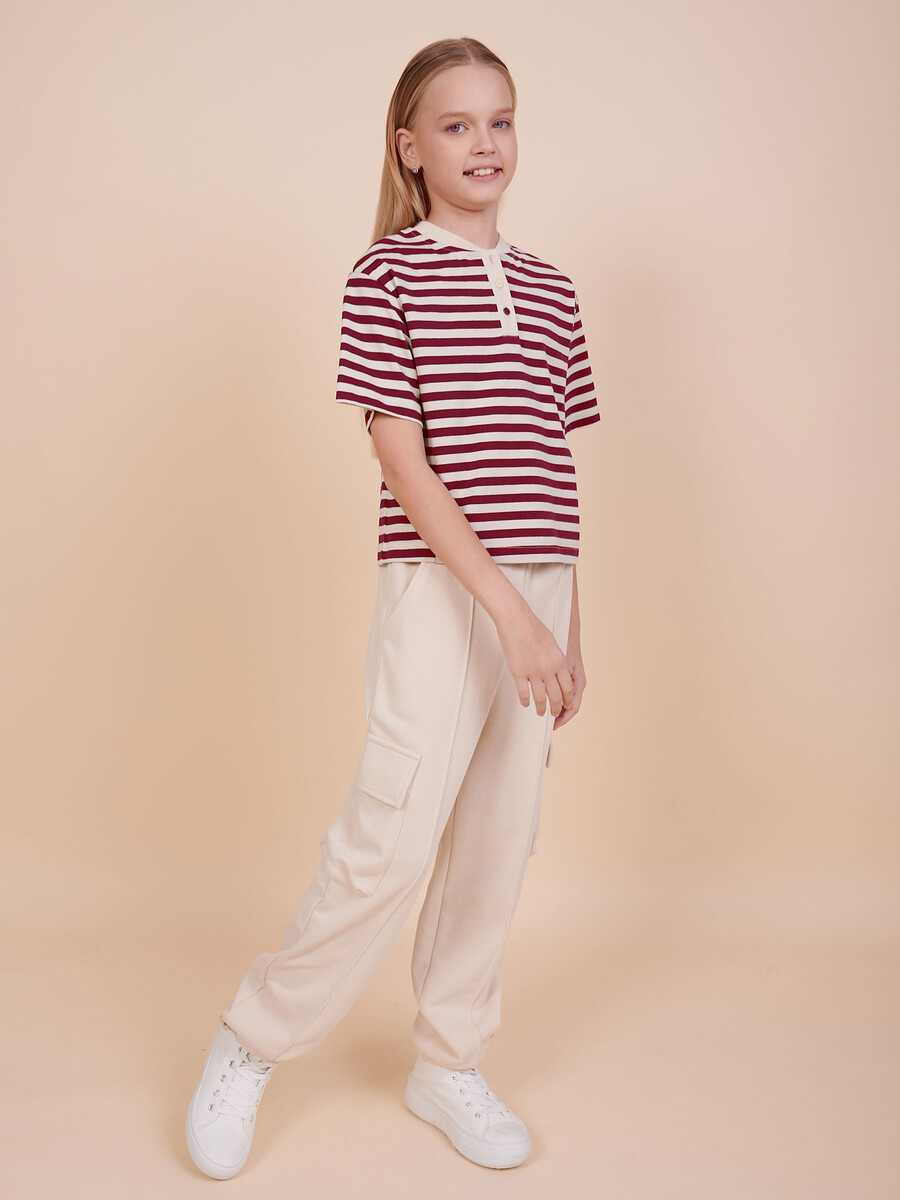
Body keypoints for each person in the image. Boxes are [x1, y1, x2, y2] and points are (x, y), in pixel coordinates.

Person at [185, 35, 601, 1179]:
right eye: (457, 125)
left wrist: (568, 622)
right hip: (443, 589)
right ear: (410, 148)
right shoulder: (387, 277)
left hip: (539, 591)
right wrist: (507, 612)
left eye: (500, 121)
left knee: (498, 840)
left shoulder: (554, 290)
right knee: (392, 837)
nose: (484, 144)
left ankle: (449, 1060)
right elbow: (403, 464)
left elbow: (556, 468)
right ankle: (251, 1040)